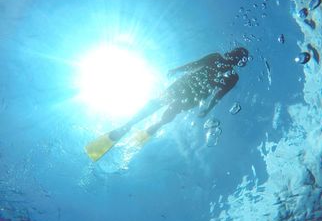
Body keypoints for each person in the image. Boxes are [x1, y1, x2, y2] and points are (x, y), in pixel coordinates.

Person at [85, 47, 249, 161]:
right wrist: (177, 70)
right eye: (236, 54)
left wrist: (208, 108)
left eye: (237, 56)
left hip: (191, 93)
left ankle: (150, 126)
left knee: (166, 110)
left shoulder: (231, 75)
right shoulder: (217, 59)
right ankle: (133, 125)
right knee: (159, 104)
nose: (234, 57)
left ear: (238, 60)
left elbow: (219, 95)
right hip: (184, 87)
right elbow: (195, 65)